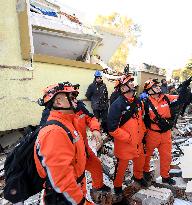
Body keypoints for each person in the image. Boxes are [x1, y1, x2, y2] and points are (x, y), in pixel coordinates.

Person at [34, 82, 87, 205]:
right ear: (58, 102)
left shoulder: (69, 122)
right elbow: (62, 182)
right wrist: (81, 202)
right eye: (72, 97)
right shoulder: (54, 132)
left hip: (76, 188)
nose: (76, 100)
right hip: (64, 199)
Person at [142, 78, 192, 185]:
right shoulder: (145, 103)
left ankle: (165, 176)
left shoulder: (166, 98)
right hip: (152, 134)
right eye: (155, 86)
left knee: (166, 156)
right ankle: (145, 172)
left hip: (166, 134)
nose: (158, 87)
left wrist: (184, 86)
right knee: (147, 155)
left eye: (158, 86)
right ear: (149, 90)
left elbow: (181, 99)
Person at [107, 75, 147, 203]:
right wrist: (129, 138)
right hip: (125, 144)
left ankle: (138, 177)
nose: (133, 84)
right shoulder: (116, 105)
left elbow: (141, 119)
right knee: (121, 167)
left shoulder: (138, 101)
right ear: (123, 88)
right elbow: (112, 129)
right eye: (130, 83)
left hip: (138, 142)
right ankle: (117, 186)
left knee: (139, 161)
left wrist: (142, 134)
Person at [72, 85, 111, 204]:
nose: (75, 99)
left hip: (85, 150)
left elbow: (91, 118)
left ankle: (98, 186)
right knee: (77, 183)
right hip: (71, 159)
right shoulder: (53, 119)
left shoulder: (79, 108)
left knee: (96, 166)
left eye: (75, 96)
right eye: (71, 97)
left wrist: (95, 129)